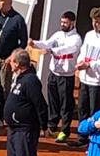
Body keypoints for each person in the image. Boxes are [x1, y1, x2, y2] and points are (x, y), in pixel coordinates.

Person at [0, 49, 46, 156]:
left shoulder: (30, 80)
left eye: (12, 61)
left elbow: (40, 104)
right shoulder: (17, 78)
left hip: (25, 129)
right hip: (14, 129)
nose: (9, 63)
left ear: (18, 64)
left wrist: (44, 126)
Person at [32, 10, 82, 140]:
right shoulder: (58, 34)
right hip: (54, 73)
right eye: (62, 22)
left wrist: (50, 50)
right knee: (53, 101)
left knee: (66, 104)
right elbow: (47, 43)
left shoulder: (76, 39)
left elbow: (67, 49)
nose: (63, 24)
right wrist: (34, 43)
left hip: (66, 76)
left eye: (65, 22)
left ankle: (65, 130)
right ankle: (52, 126)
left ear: (72, 23)